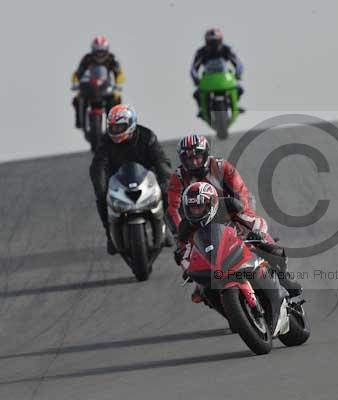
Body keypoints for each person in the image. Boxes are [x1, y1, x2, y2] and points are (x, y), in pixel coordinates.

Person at [174, 182, 302, 304]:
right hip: (214, 261)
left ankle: (284, 278)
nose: (196, 211)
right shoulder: (186, 227)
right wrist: (187, 269)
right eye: (192, 208)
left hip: (243, 243)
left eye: (199, 206)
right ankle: (230, 312)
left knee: (271, 250)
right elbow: (186, 253)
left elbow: (255, 220)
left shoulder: (228, 206)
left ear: (210, 204)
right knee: (203, 291)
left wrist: (258, 233)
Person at [90, 104, 173, 254]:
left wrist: (165, 177)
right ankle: (109, 233)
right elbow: (98, 165)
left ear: (131, 124)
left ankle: (166, 227)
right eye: (113, 127)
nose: (115, 131)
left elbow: (160, 159)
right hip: (118, 181)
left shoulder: (147, 136)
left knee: (167, 189)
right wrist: (99, 184)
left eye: (120, 127)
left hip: (147, 179)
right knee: (101, 197)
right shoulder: (105, 142)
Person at [71, 36, 125, 128]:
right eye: (97, 51)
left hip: (106, 86)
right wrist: (75, 83)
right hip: (90, 86)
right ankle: (79, 120)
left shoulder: (112, 59)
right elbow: (78, 73)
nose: (100, 54)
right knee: (77, 98)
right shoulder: (87, 59)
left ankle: (115, 122)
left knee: (117, 98)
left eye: (102, 51)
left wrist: (118, 84)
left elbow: (119, 73)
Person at [190, 28, 244, 118]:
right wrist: (196, 79)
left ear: (220, 41)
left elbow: (238, 64)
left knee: (239, 89)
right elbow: (193, 68)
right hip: (208, 79)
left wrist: (237, 74)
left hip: (225, 77)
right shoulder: (201, 52)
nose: (213, 45)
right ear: (206, 42)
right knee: (196, 94)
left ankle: (235, 105)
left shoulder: (226, 49)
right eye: (211, 43)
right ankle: (202, 110)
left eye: (215, 42)